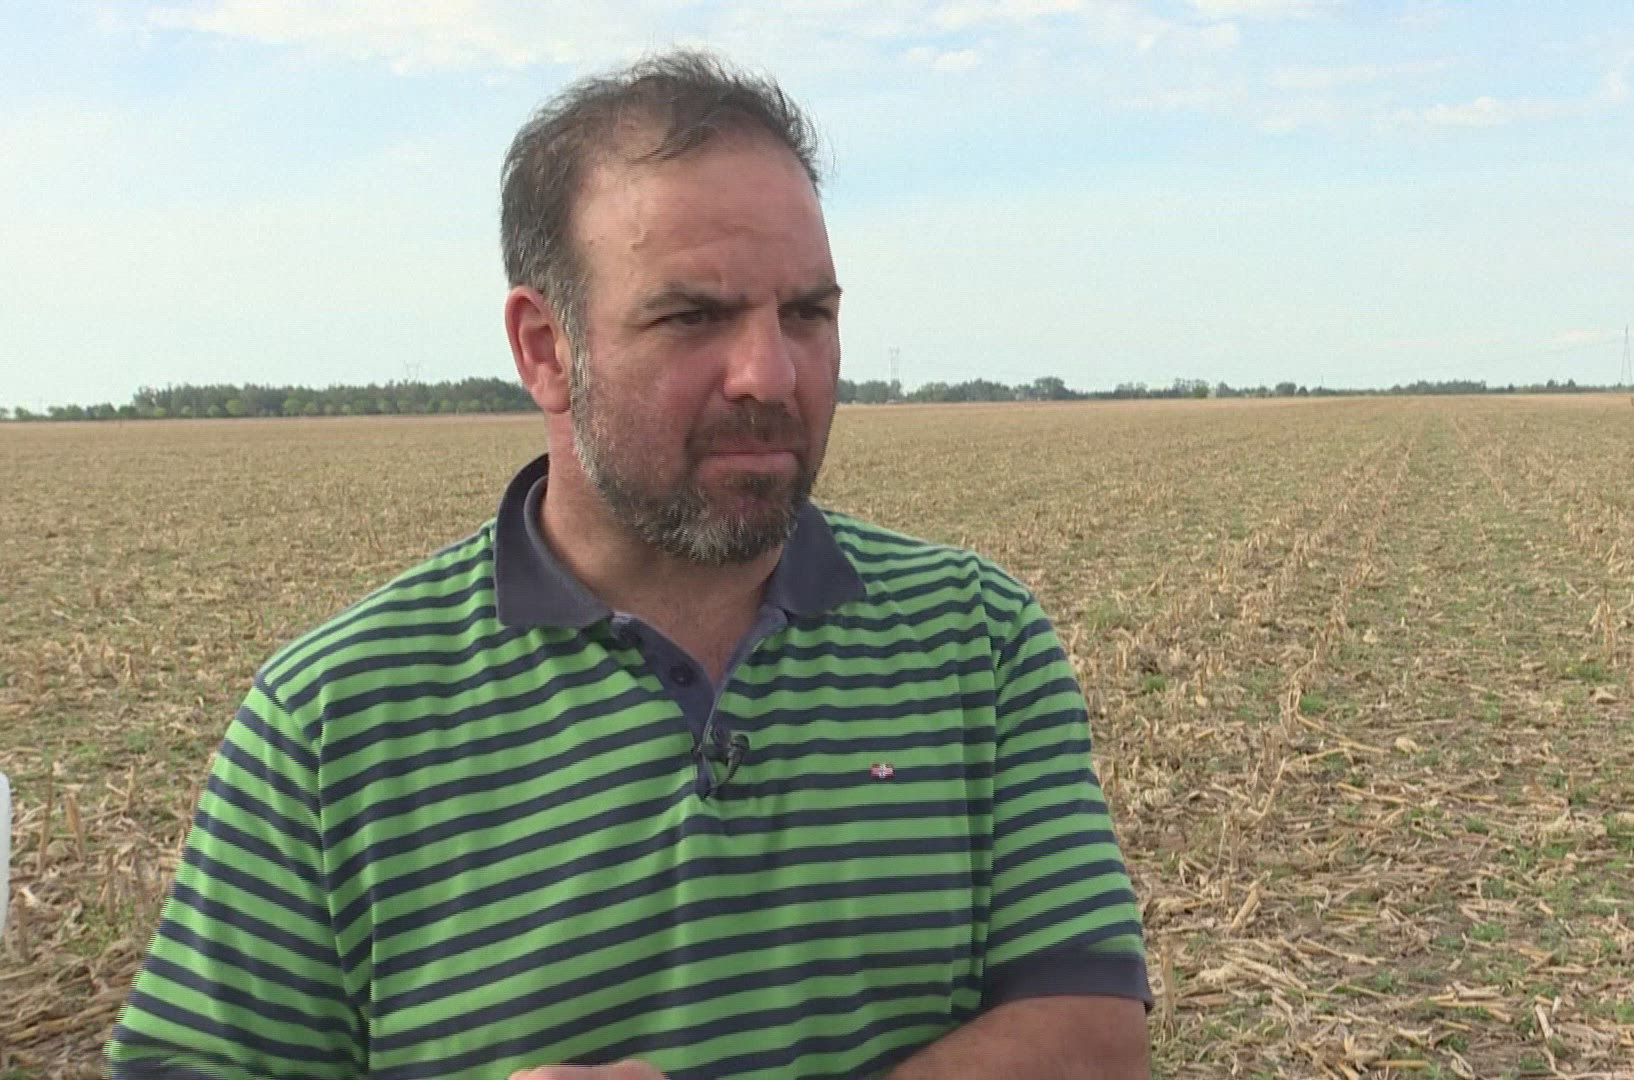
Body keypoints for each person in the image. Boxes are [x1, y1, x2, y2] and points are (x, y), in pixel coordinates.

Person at [108, 50, 1150, 1080]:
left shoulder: (976, 639)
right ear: (545, 349)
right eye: (693, 316)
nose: (770, 374)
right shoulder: (332, 721)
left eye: (807, 314)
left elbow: (1091, 1039)